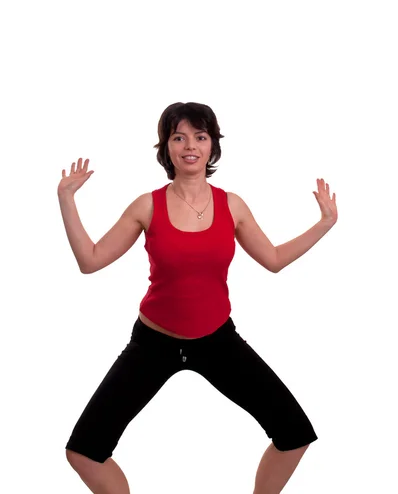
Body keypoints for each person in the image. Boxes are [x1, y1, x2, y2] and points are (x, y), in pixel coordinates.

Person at [58, 101, 338, 494]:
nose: (190, 145)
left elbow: (273, 259)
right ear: (166, 147)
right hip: (153, 344)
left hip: (217, 341)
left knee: (294, 434)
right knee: (84, 451)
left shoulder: (232, 205)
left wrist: (324, 224)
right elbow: (90, 261)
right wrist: (67, 199)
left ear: (212, 147)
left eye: (200, 137)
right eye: (179, 137)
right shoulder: (146, 206)